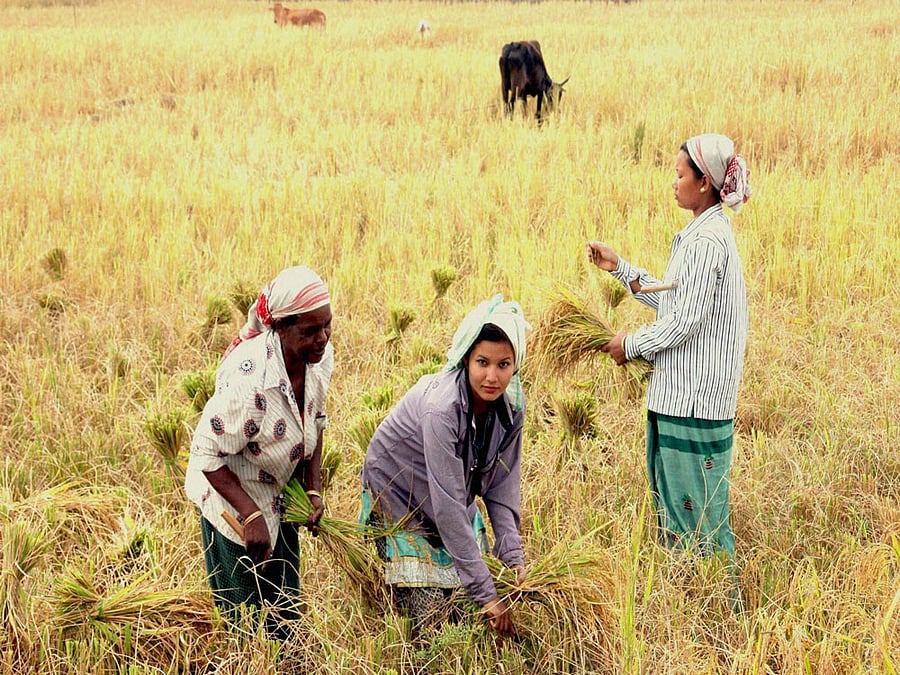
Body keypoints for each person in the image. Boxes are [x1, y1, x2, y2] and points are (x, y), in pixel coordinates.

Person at [586, 133, 751, 565]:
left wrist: (631, 345)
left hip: (694, 401)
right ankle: (692, 601)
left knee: (698, 520)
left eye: (679, 175)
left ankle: (714, 606)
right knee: (681, 515)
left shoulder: (705, 243)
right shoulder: (702, 233)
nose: (673, 182)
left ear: (704, 184)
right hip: (683, 396)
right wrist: (620, 268)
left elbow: (684, 322)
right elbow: (676, 300)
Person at [360, 295, 530, 638]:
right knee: (432, 619)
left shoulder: (512, 406)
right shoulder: (442, 409)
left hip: (449, 487)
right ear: (466, 358)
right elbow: (450, 508)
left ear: (516, 365)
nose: (492, 377)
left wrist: (513, 558)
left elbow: (502, 486)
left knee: (465, 614)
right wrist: (488, 595)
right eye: (482, 362)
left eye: (503, 365)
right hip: (400, 494)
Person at [184, 265, 334, 639]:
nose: (323, 338)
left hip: (280, 496)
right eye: (311, 331)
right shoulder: (250, 383)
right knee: (245, 622)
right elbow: (205, 451)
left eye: (328, 325)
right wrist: (250, 515)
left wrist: (312, 489)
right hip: (233, 504)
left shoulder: (319, 359)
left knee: (285, 613)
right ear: (280, 328)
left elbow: (315, 420)